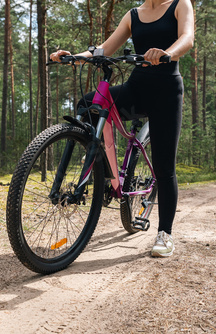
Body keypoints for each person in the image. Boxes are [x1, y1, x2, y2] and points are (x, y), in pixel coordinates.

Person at [50, 0, 194, 257]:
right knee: (87, 103)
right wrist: (75, 57)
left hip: (166, 93)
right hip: (136, 90)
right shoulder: (133, 15)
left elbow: (187, 38)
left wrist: (167, 53)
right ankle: (100, 164)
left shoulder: (179, 4)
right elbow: (104, 49)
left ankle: (165, 234)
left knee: (164, 167)